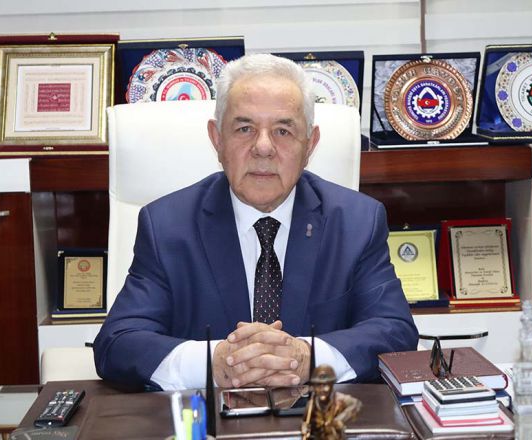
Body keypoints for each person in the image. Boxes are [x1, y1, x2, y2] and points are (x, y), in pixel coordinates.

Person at [93, 53, 418, 390]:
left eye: (283, 131)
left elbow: (395, 331)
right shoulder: (167, 227)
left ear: (310, 144)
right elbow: (118, 343)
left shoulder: (357, 222)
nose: (263, 147)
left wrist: (306, 358)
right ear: (217, 139)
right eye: (244, 128)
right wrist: (215, 363)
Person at [301, 365, 362, 440]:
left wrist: (339, 419)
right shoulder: (311, 404)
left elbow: (356, 404)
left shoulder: (340, 399)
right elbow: (305, 422)